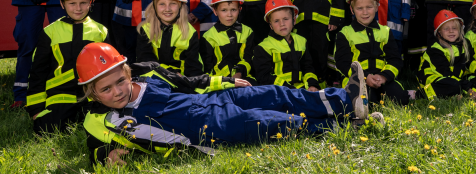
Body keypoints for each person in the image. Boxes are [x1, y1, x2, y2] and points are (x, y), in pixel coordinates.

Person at [77, 42, 372, 166]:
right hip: (207, 128)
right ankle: (346, 126)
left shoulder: (149, 72)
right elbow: (96, 146)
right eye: (106, 89)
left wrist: (225, 82)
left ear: (127, 71)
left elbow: (188, 81)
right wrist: (107, 155)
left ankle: (347, 101)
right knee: (273, 121)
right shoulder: (104, 119)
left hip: (211, 99)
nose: (116, 91)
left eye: (120, 81)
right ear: (92, 93)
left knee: (274, 93)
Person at [26, 0, 108, 134]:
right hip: (59, 97)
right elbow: (38, 73)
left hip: (91, 96)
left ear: (91, 2)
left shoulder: (101, 31)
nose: (78, 8)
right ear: (62, 4)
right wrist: (36, 110)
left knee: (103, 127)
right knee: (46, 129)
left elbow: (109, 71)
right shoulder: (50, 32)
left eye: (83, 2)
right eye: (72, 3)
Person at [333, 0, 412, 105]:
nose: (365, 12)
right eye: (359, 8)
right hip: (356, 80)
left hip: (382, 79)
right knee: (367, 101)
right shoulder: (345, 33)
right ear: (352, 9)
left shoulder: (385, 31)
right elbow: (343, 64)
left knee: (401, 99)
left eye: (369, 7)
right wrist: (364, 77)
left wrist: (384, 77)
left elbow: (395, 60)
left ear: (376, 7)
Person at [135, 0, 203, 76]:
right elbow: (145, 62)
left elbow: (194, 68)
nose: (167, 9)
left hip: (182, 83)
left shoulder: (190, 32)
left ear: (181, 6)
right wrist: (172, 74)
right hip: (153, 81)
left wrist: (184, 82)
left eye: (173, 3)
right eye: (162, 4)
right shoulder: (145, 29)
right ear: (154, 6)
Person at [253, 0, 320, 90]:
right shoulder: (263, 47)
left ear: (294, 19)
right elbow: (264, 77)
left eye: (285, 19)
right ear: (270, 26)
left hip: (301, 90)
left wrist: (312, 85)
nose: (282, 24)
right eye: (276, 21)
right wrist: (289, 89)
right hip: (277, 93)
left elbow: (308, 68)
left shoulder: (302, 41)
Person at [417, 10, 476, 100]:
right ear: (439, 33)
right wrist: (468, 88)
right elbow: (445, 73)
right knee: (454, 85)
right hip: (433, 79)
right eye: (446, 28)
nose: (451, 31)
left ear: (460, 29)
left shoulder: (462, 45)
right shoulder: (435, 50)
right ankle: (418, 95)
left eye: (454, 28)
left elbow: (464, 67)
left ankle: (453, 95)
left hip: (452, 78)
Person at [200, 0, 256, 83]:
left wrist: (239, 73)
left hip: (245, 79)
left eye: (233, 10)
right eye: (224, 10)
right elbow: (207, 68)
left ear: (240, 9)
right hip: (220, 83)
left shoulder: (248, 32)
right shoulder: (208, 37)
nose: (229, 15)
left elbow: (250, 58)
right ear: (215, 11)